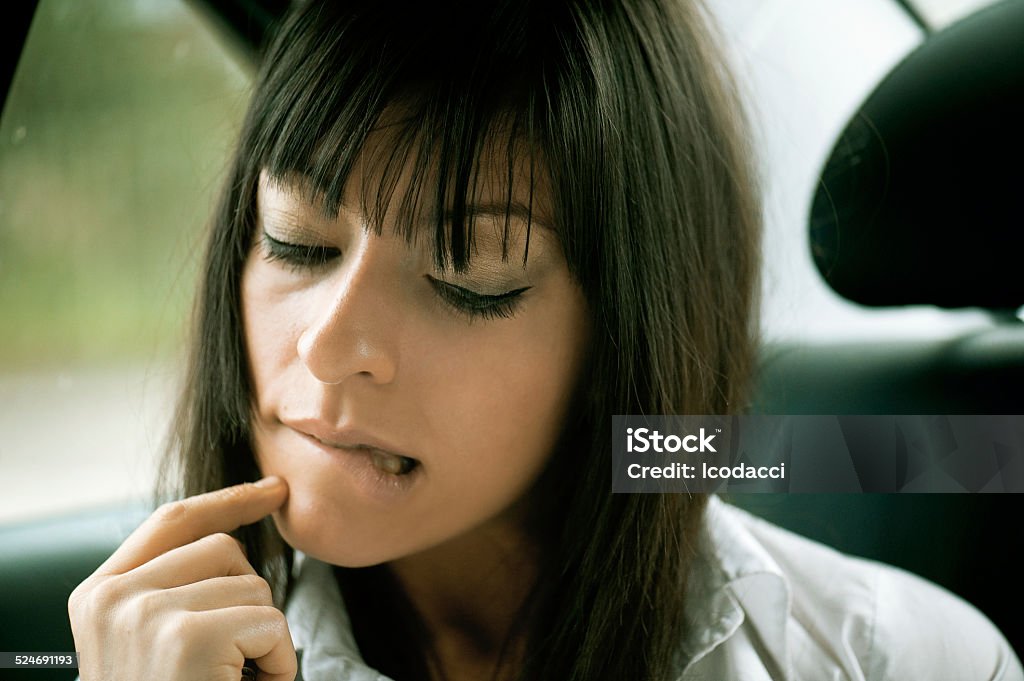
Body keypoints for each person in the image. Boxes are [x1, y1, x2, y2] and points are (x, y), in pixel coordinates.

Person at [68, 1, 1023, 680]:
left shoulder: (903, 659)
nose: (327, 346)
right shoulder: (161, 655)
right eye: (297, 242)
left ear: (624, 333)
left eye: (467, 281)